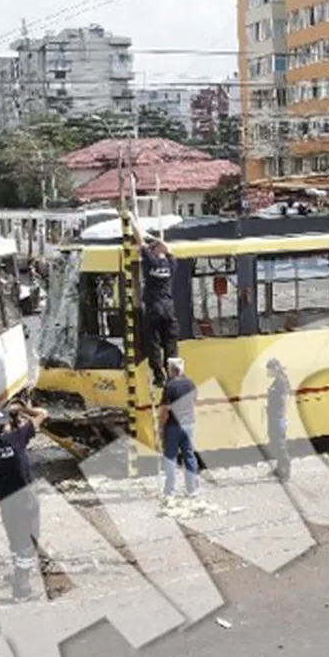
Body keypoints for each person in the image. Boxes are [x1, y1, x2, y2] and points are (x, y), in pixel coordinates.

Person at [0, 399, 49, 601]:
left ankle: (19, 577)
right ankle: (21, 588)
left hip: (6, 499)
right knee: (28, 541)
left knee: (15, 542)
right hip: (24, 498)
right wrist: (23, 409)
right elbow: (43, 413)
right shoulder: (17, 438)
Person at [129, 213, 178, 386]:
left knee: (153, 343)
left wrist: (132, 220)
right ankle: (174, 374)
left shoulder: (151, 262)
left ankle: (159, 376)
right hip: (169, 309)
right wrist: (159, 242)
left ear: (154, 252)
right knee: (171, 344)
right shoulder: (171, 265)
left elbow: (140, 241)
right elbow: (168, 249)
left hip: (154, 308)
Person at [159, 357, 199, 505]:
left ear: (170, 370)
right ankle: (193, 490)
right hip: (188, 424)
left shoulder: (169, 386)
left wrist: (161, 427)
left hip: (173, 426)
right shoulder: (190, 383)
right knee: (189, 455)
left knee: (170, 457)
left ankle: (170, 492)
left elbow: (165, 411)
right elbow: (195, 400)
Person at [265, 358, 292, 482]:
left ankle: (285, 471)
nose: (267, 372)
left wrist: (283, 417)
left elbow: (285, 399)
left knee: (280, 444)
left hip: (278, 416)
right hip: (273, 415)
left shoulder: (282, 381)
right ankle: (279, 468)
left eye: (269, 369)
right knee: (275, 442)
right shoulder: (277, 381)